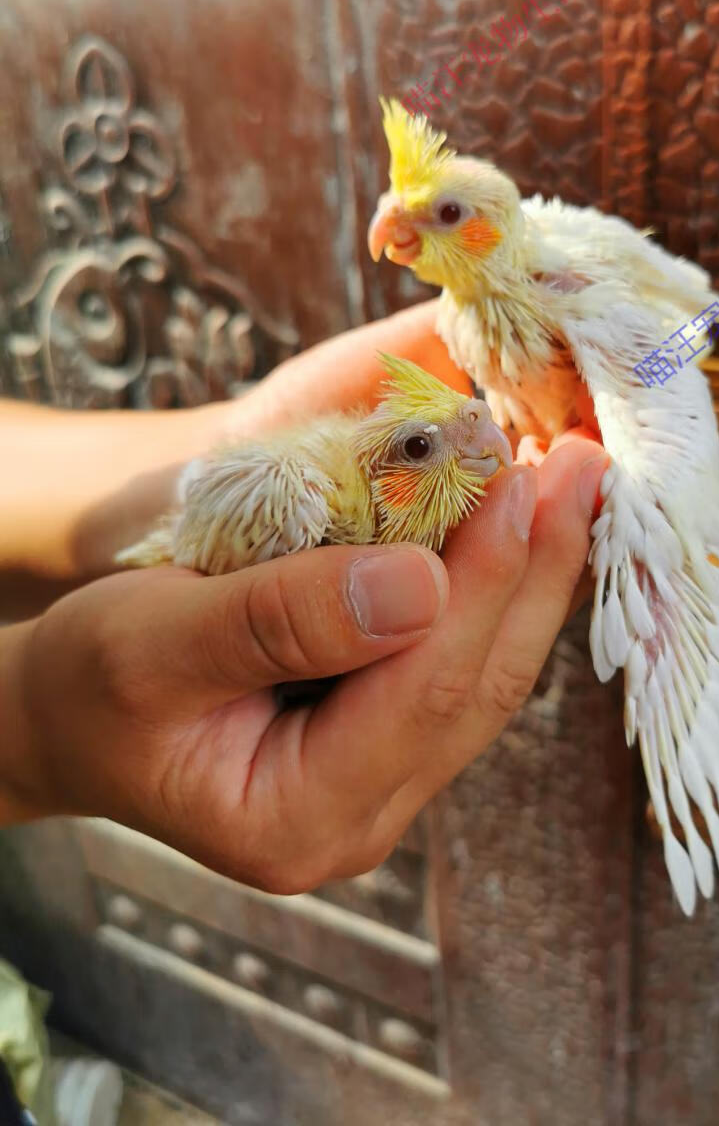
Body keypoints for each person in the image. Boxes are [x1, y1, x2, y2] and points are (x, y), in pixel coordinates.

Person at [0, 300, 607, 893]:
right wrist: (34, 720)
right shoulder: (302, 504)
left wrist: (205, 450)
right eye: (420, 449)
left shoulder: (398, 505)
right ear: (379, 472)